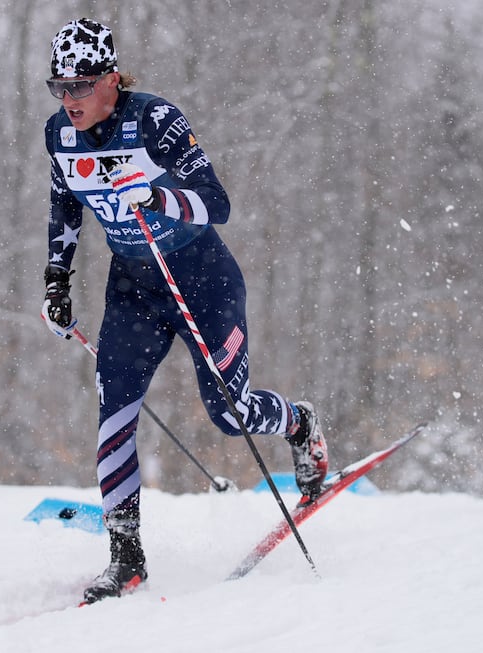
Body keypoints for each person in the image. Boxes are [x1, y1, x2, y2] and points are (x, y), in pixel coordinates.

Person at [38, 18, 328, 603]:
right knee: (114, 408)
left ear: (111, 78)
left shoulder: (155, 121)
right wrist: (56, 279)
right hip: (134, 286)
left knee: (230, 412)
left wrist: (157, 196)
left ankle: (299, 424)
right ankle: (126, 557)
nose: (69, 99)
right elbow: (64, 208)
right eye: (59, 87)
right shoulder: (59, 137)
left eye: (81, 85)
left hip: (199, 276)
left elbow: (217, 203)